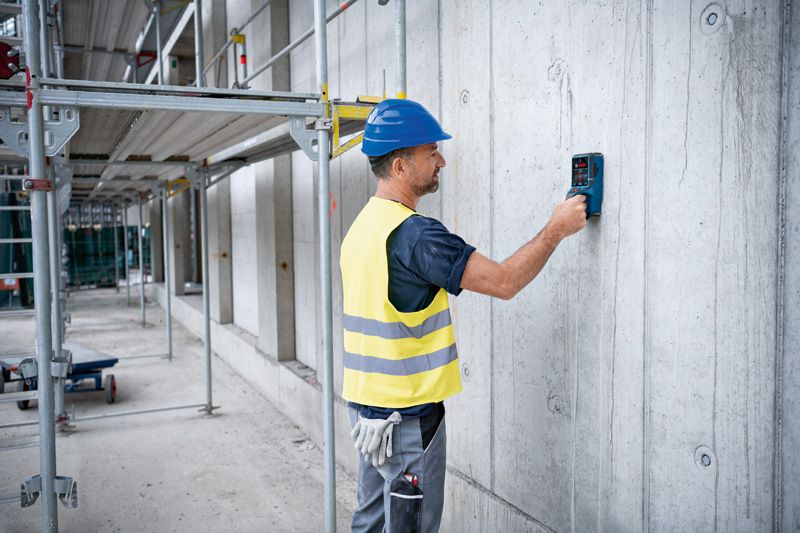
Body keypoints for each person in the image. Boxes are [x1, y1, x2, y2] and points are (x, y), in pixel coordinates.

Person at [342, 99, 588, 532]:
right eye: (431, 153)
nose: (442, 161)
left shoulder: (362, 226)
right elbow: (505, 282)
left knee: (371, 523)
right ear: (400, 166)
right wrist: (556, 229)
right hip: (406, 424)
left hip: (367, 416)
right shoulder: (416, 236)